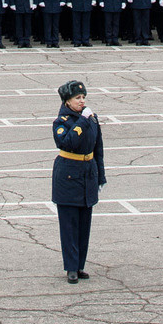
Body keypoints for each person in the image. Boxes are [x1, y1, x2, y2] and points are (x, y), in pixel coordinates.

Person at [50, 78, 105, 283]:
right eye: (77, 98)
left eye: (83, 98)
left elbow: (98, 148)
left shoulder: (91, 119)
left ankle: (80, 265)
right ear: (67, 102)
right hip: (68, 176)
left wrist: (100, 175)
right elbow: (68, 142)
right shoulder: (62, 122)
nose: (82, 102)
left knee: (84, 225)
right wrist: (82, 121)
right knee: (69, 225)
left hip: (87, 173)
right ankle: (71, 267)